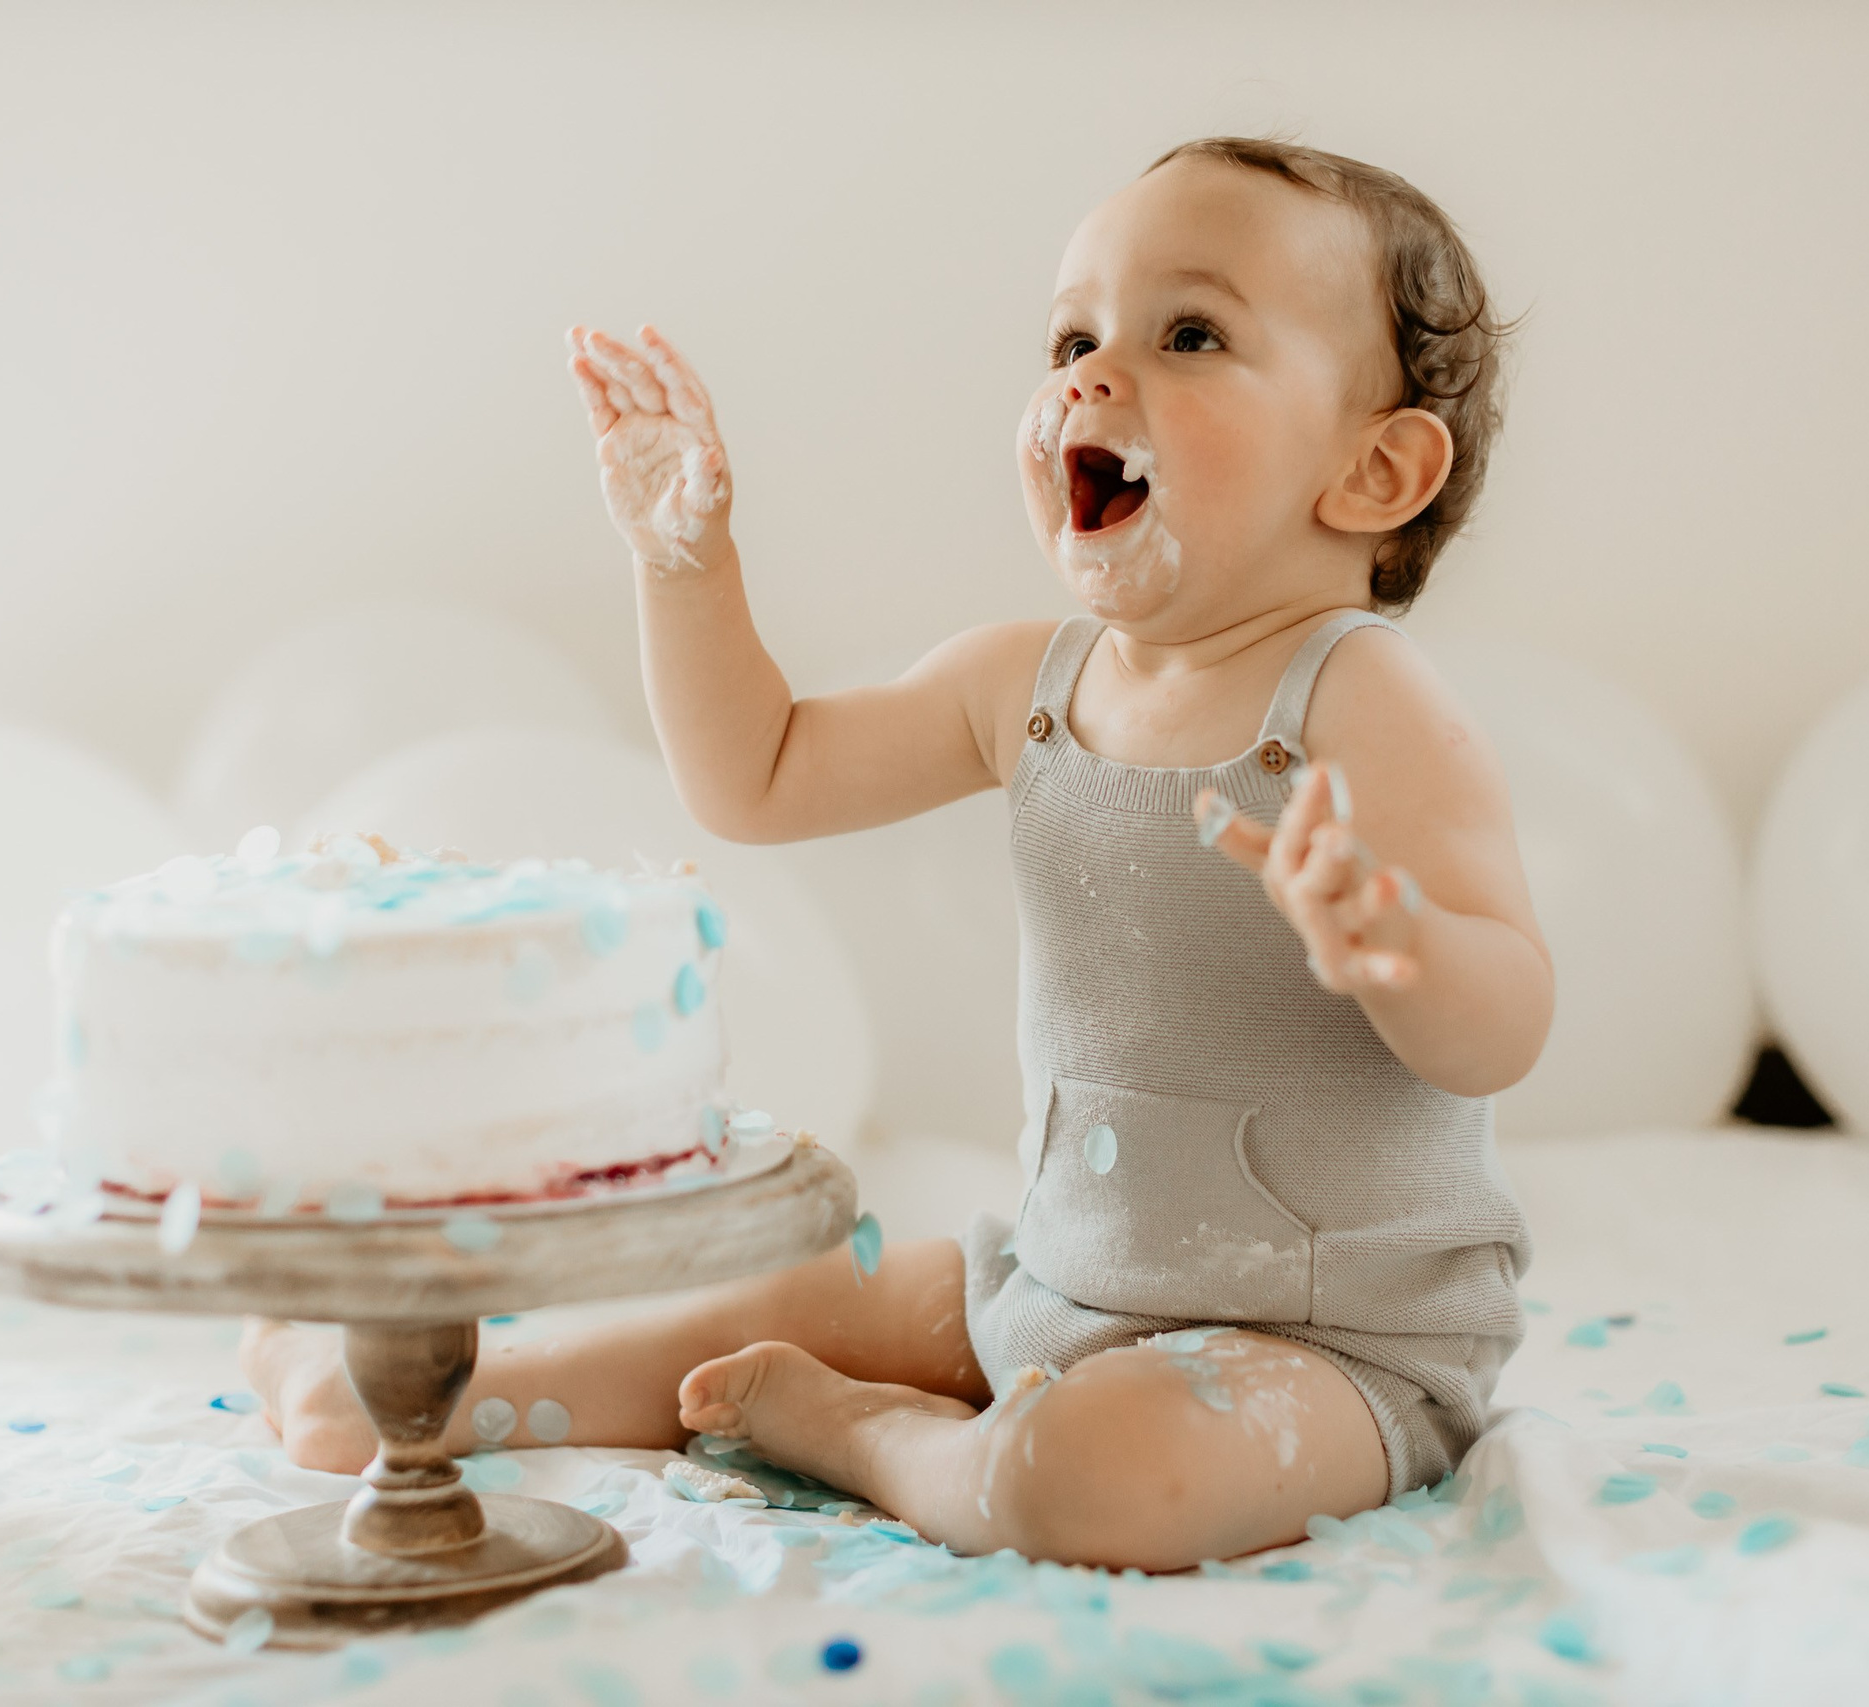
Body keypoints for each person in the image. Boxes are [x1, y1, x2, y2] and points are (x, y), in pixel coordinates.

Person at [245, 138, 1551, 1572]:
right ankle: (407, 1395)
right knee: (782, 1284)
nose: (1092, 375)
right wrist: (687, 566)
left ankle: (864, 1434)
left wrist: (1403, 944)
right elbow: (759, 775)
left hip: (1325, 1353)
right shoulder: (1028, 686)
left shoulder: (1361, 701)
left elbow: (1505, 1025)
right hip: (1056, 1284)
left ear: (1375, 470)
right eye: (1072, 336)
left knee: (1084, 1479)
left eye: (1189, 334)